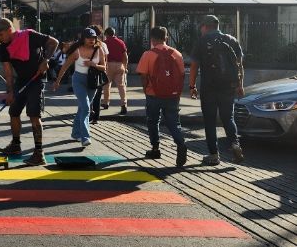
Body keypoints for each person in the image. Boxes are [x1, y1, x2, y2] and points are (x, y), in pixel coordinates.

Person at [0, 18, 59, 166]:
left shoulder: (30, 36)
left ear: (10, 30)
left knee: (33, 115)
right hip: (21, 81)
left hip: (36, 79)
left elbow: (54, 42)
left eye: (1, 34)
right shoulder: (3, 47)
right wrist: (9, 92)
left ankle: (39, 153)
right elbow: (8, 72)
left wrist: (46, 60)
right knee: (13, 111)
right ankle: (16, 145)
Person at [189, 15, 245, 166]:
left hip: (209, 87)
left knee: (209, 121)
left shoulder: (202, 41)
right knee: (228, 118)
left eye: (201, 27)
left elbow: (194, 66)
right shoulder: (232, 40)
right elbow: (239, 65)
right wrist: (240, 85)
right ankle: (235, 144)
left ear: (205, 27)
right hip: (229, 86)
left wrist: (192, 86)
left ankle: (214, 155)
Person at [137, 26, 187, 167]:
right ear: (166, 38)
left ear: (152, 39)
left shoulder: (148, 54)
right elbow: (182, 74)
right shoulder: (176, 54)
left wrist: (145, 89)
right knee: (174, 122)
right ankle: (181, 143)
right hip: (173, 95)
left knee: (153, 120)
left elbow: (143, 75)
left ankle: (155, 148)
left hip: (154, 94)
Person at [54, 28, 106, 147]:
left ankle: (75, 133)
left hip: (93, 82)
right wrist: (58, 81)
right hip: (79, 80)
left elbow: (104, 68)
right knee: (86, 108)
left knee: (82, 108)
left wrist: (94, 65)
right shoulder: (77, 50)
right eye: (89, 38)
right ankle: (85, 137)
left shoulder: (100, 50)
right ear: (83, 38)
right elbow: (65, 66)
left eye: (93, 38)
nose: (91, 40)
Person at [103, 27, 129, 114]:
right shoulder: (121, 42)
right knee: (121, 86)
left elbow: (102, 56)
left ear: (106, 34)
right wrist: (125, 67)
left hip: (108, 65)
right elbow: (125, 56)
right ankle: (123, 104)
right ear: (114, 33)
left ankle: (106, 103)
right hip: (119, 65)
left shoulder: (105, 43)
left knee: (106, 85)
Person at [89, 25, 109, 124]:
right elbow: (105, 59)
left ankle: (89, 114)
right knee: (97, 96)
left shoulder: (87, 44)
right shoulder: (103, 45)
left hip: (89, 72)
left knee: (89, 95)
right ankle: (96, 117)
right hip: (99, 72)